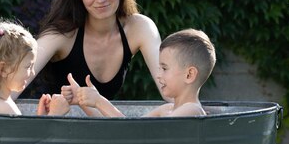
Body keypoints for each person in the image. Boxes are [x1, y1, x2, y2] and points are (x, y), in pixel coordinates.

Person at [13, 0, 165, 104]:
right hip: (58, 126)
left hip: (105, 124)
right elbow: (9, 88)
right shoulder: (60, 34)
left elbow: (173, 89)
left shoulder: (140, 28)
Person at [70, 29, 216, 117]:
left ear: (189, 75)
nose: (158, 75)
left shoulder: (191, 110)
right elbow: (119, 127)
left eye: (164, 68)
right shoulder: (167, 110)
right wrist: (86, 102)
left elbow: (133, 131)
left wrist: (99, 101)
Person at [0, 20, 69, 116]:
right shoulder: (0, 107)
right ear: (3, 69)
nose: (33, 73)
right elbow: (27, 135)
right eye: (28, 66)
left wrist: (42, 117)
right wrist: (54, 115)